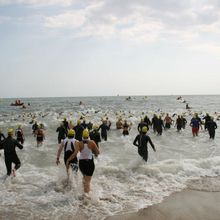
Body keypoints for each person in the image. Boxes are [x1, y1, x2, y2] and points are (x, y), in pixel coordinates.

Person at [66, 129, 100, 196]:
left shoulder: (79, 143)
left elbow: (75, 153)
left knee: (84, 179)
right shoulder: (92, 142)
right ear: (88, 136)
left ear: (82, 136)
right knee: (88, 181)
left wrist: (68, 160)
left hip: (82, 163)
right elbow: (98, 152)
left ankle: (85, 193)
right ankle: (87, 195)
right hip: (89, 163)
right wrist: (92, 151)